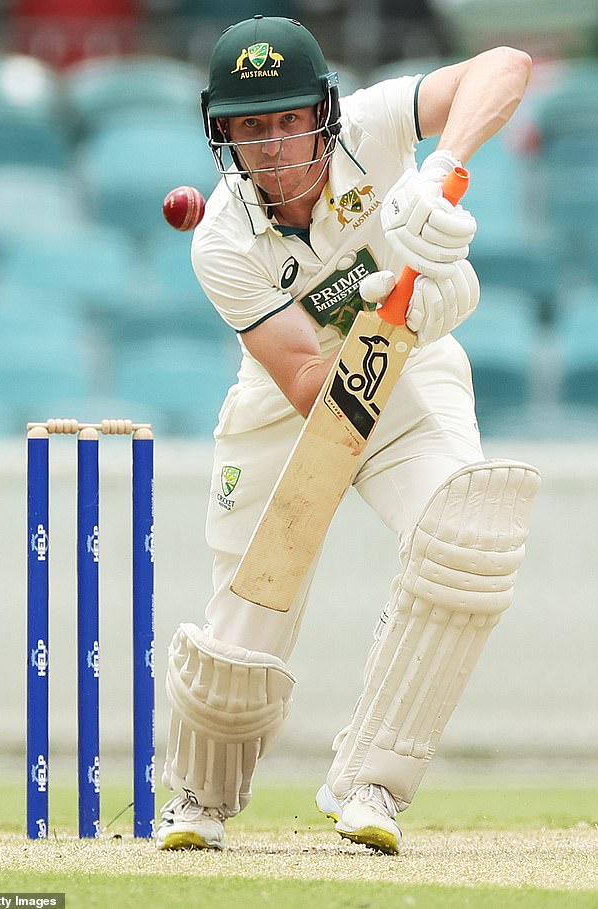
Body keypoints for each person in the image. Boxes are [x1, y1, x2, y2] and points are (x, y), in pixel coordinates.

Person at [156, 15, 540, 854]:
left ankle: (370, 782)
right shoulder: (221, 239)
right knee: (252, 603)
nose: (275, 145)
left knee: (465, 537)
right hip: (290, 397)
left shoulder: (373, 125)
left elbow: (504, 65)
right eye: (251, 126)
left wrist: (442, 168)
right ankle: (198, 797)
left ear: (324, 111)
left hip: (412, 370)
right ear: (223, 135)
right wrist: (397, 303)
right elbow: (308, 384)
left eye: (289, 117)